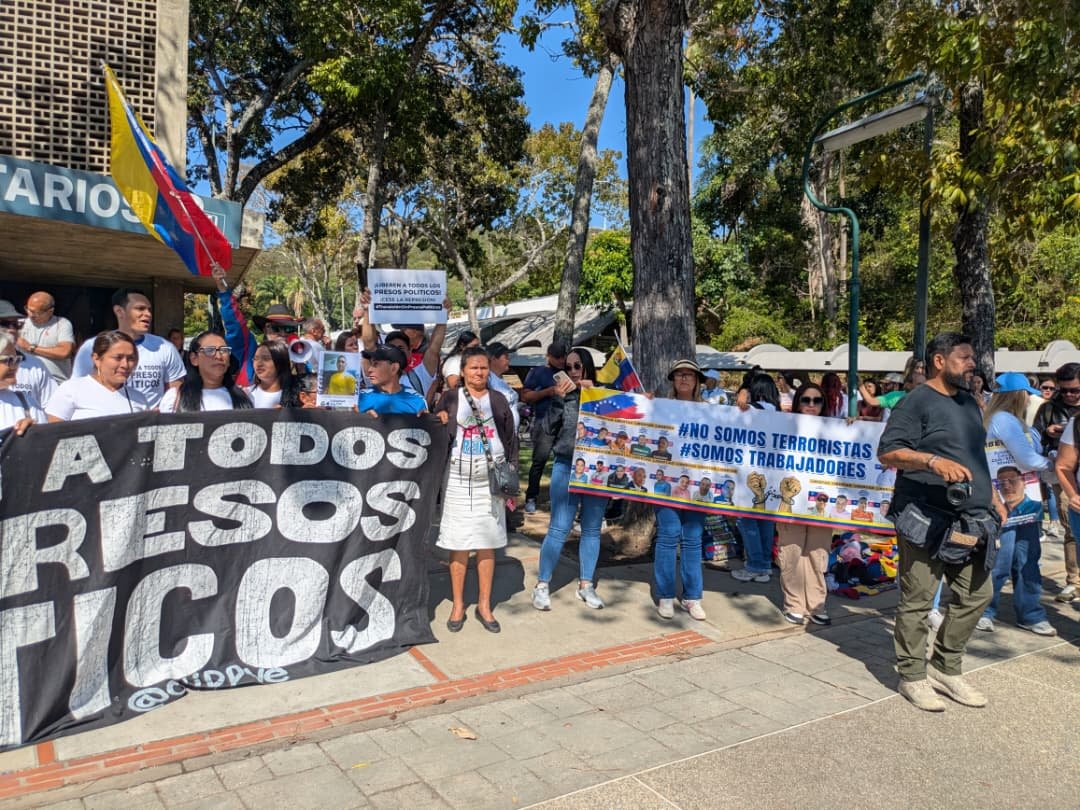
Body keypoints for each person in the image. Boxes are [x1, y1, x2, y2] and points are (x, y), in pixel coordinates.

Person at [878, 332, 1008, 712]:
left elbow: (974, 455)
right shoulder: (915, 400)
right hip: (924, 517)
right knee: (918, 599)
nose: (972, 364)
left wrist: (994, 497)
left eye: (972, 358)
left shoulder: (969, 401)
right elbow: (887, 452)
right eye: (964, 357)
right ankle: (912, 676)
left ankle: (946, 667)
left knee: (977, 594)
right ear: (939, 360)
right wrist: (931, 462)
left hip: (973, 518)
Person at [435, 346, 518, 632]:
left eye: (483, 367)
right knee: (458, 545)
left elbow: (511, 438)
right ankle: (458, 604)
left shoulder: (498, 399)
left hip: (490, 482)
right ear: (463, 371)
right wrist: (440, 419)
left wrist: (511, 479)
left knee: (487, 543)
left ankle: (484, 604)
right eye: (473, 367)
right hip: (457, 481)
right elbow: (434, 427)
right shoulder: (450, 397)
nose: (479, 372)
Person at [531, 348, 609, 612]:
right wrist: (558, 399)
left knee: (591, 529)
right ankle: (542, 585)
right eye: (568, 367)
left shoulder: (604, 396)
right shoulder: (564, 397)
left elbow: (630, 414)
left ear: (587, 367)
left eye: (578, 366)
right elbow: (547, 428)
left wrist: (598, 389)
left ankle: (586, 585)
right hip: (567, 465)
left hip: (597, 471)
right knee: (559, 527)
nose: (573, 371)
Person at [653, 359, 708, 620]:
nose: (684, 378)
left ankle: (692, 596)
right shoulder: (661, 408)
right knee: (668, 536)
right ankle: (665, 595)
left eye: (689, 375)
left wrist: (741, 409)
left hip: (697, 487)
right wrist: (645, 404)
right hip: (667, 486)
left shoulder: (710, 411)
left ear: (697, 380)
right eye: (679, 374)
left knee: (693, 539)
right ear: (673, 380)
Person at [776, 382, 835, 625]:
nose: (811, 405)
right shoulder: (782, 426)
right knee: (792, 554)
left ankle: (817, 603)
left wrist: (853, 426)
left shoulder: (835, 429)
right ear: (798, 401)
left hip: (821, 505)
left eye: (817, 400)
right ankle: (794, 604)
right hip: (790, 502)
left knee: (817, 555)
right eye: (806, 400)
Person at [72, 288, 184, 409]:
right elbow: (78, 388)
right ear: (119, 311)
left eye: (149, 309)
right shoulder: (92, 346)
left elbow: (175, 392)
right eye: (140, 308)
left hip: (149, 423)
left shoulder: (165, 347)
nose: (148, 314)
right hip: (106, 421)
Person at [978, 466, 1054, 636]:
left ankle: (1031, 615)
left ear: (1024, 481)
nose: (1007, 486)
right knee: (997, 565)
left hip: (1028, 520)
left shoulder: (1033, 506)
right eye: (1001, 482)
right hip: (1000, 515)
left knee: (1028, 565)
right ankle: (985, 611)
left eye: (1012, 480)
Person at [1033, 362, 1080, 603]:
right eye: (1065, 390)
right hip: (1062, 473)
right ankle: (1074, 580)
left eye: (1075, 390)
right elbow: (1034, 437)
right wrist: (1047, 432)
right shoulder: (1049, 408)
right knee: (1071, 525)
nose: (1070, 395)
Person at [359, 291, 450, 404]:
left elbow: (433, 349)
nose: (396, 353)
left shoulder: (420, 375)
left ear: (410, 352)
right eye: (392, 347)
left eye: (401, 348)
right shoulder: (376, 378)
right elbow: (368, 344)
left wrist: (443, 317)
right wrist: (368, 311)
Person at [733, 372, 781, 584]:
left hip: (750, 476)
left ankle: (755, 565)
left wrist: (743, 393)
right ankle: (764, 566)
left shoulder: (752, 411)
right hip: (772, 476)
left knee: (746, 520)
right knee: (766, 522)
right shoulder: (778, 413)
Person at [48, 331, 150, 420]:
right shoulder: (71, 390)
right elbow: (53, 433)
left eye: (131, 359)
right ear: (97, 359)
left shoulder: (139, 399)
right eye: (118, 358)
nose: (125, 365)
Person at [521, 342, 568, 513]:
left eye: (563, 357)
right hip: (543, 422)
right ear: (548, 356)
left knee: (562, 463)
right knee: (539, 461)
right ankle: (531, 496)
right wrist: (548, 392)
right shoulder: (538, 372)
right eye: (557, 357)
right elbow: (526, 396)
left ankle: (559, 499)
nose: (561, 361)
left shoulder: (568, 371)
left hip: (565, 424)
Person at [160, 331, 253, 412]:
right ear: (194, 359)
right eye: (210, 350)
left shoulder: (245, 396)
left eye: (224, 350)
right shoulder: (175, 398)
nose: (219, 356)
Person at [0, 300, 57, 409]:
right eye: (4, 324)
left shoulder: (36, 365)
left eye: (16, 324)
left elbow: (52, 408)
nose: (12, 330)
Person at [18, 291, 74, 382]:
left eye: (36, 312)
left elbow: (64, 351)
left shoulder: (62, 324)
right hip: (26, 381)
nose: (30, 314)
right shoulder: (18, 324)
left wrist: (30, 347)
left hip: (55, 381)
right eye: (28, 309)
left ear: (50, 311)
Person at [357, 344, 427, 415]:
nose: (369, 370)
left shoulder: (416, 401)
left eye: (376, 364)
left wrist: (425, 419)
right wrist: (362, 419)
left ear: (394, 368)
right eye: (371, 364)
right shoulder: (360, 398)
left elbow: (426, 424)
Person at [0, 333, 46, 433]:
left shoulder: (25, 400)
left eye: (17, 360)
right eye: (8, 360)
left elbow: (48, 442)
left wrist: (34, 432)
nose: (15, 366)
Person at [246, 340, 302, 408]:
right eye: (255, 359)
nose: (259, 364)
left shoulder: (298, 395)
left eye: (266, 359)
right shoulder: (247, 394)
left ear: (281, 362)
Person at [485, 342, 520, 430]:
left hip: (511, 434)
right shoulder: (487, 380)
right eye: (506, 358)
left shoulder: (504, 379)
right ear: (493, 359)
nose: (509, 361)